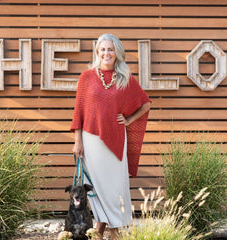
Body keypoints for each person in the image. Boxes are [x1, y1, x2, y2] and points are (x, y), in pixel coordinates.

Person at [70, 33, 151, 240]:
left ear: (117, 53)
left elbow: (145, 104)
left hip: (116, 140)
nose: (107, 53)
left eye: (111, 49)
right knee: (96, 187)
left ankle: (106, 230)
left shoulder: (125, 78)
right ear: (97, 52)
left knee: (114, 188)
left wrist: (129, 120)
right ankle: (107, 232)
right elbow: (78, 111)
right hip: (91, 140)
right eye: (103, 49)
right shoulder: (86, 77)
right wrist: (77, 141)